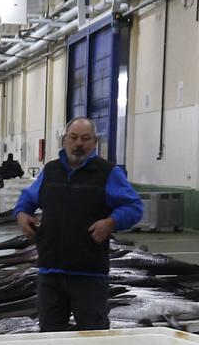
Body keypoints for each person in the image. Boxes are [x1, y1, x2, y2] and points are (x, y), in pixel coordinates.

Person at [14, 118, 145, 333]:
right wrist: (21, 214)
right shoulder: (51, 170)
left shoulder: (108, 173)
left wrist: (110, 222)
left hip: (88, 275)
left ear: (95, 143)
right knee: (49, 337)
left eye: (85, 139)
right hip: (50, 273)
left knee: (93, 337)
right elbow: (28, 197)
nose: (78, 143)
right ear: (65, 140)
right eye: (73, 138)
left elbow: (133, 207)